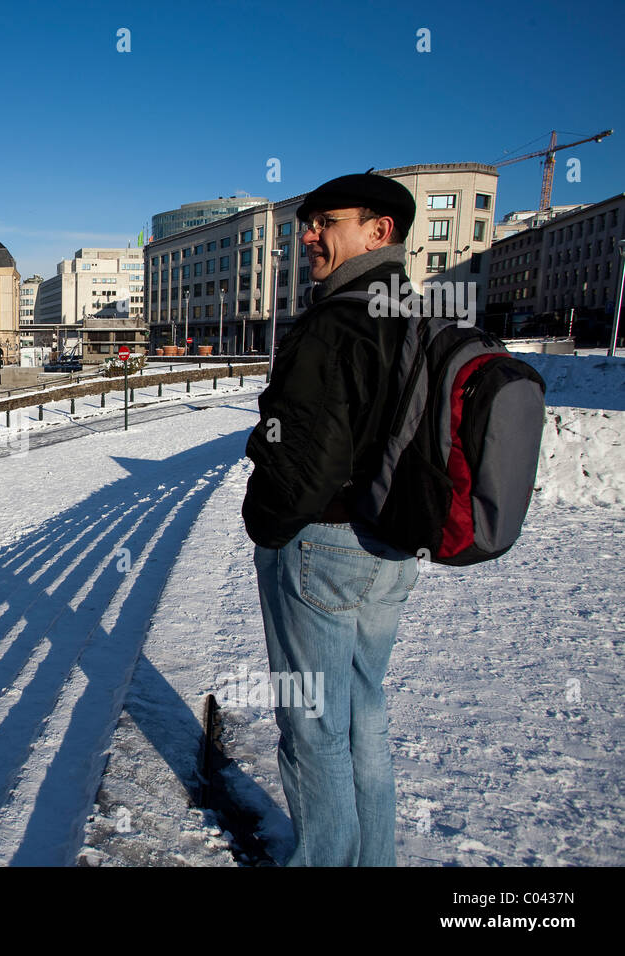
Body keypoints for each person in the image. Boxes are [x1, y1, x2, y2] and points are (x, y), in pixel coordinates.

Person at [241, 173, 421, 866]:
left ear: (379, 231)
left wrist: (267, 522)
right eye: (305, 223)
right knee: (363, 719)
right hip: (391, 546)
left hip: (321, 548)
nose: (308, 234)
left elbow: (304, 458)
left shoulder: (334, 321)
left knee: (312, 728)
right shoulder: (416, 315)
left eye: (326, 223)